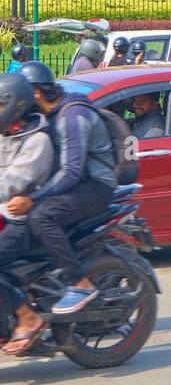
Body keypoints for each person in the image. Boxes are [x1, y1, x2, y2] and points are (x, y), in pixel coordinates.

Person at [6, 62, 116, 315]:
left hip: (95, 186)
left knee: (41, 217)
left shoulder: (71, 117)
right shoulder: (50, 114)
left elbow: (71, 172)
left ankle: (79, 282)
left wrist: (33, 199)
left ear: (35, 94)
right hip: (78, 184)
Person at [0, 73, 55, 356]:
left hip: (22, 222)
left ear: (15, 105)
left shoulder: (37, 141)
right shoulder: (8, 133)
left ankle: (27, 316)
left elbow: (11, 181)